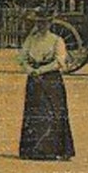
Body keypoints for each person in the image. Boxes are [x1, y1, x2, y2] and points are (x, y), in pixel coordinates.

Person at [18, 10, 74, 160]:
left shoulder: (57, 40)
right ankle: (34, 150)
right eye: (39, 22)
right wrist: (30, 70)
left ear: (50, 23)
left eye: (44, 22)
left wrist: (41, 70)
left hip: (51, 80)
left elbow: (59, 61)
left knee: (52, 112)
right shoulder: (31, 40)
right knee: (35, 113)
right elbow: (21, 58)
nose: (41, 25)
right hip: (34, 80)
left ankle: (52, 150)